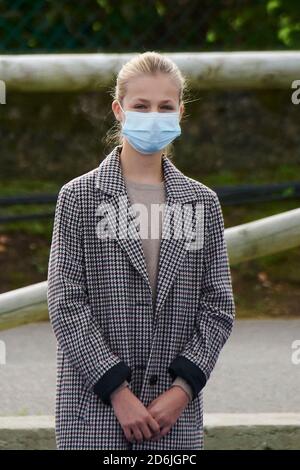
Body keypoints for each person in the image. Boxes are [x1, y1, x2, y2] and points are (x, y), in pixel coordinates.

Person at [47, 51, 236, 450]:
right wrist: (117, 391)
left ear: (180, 113)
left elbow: (217, 306)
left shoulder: (202, 203)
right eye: (141, 105)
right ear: (119, 110)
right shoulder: (78, 198)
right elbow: (66, 302)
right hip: (93, 413)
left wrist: (182, 390)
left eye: (165, 106)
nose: (154, 115)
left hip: (174, 420)